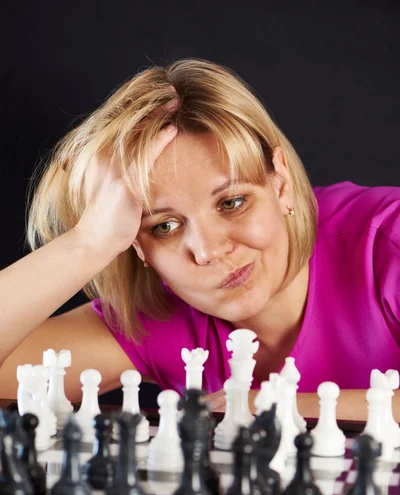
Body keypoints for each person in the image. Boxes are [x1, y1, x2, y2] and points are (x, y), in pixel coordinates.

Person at [0, 58, 399, 422]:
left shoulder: (387, 240)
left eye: (233, 202)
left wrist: (278, 405)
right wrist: (86, 244)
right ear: (136, 245)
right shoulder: (161, 316)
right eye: (164, 227)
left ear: (280, 183)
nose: (208, 251)